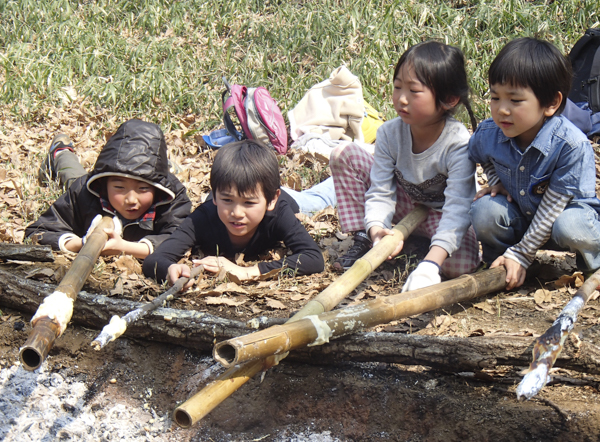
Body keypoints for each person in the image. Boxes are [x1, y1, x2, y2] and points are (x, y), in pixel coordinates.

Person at [329, 40, 481, 292]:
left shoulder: (457, 143)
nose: (401, 99)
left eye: (414, 91)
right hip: (403, 203)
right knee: (344, 153)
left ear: (449, 99)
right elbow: (381, 190)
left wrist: (431, 264)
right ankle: (364, 237)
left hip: (439, 213)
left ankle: (426, 246)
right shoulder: (390, 133)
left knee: (460, 265)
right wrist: (377, 229)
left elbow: (458, 208)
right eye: (397, 86)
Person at [469, 37, 600, 290]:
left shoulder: (570, 144)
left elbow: (553, 208)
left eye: (515, 101)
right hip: (524, 217)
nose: (502, 110)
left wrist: (524, 252)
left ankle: (593, 264)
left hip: (564, 221)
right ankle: (505, 261)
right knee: (484, 209)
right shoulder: (489, 134)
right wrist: (496, 181)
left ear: (551, 103)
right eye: (495, 98)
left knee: (570, 226)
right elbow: (481, 157)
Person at [142, 139, 325, 285]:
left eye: (248, 203)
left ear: (271, 200)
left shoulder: (278, 211)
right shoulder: (204, 217)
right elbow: (155, 259)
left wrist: (247, 272)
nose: (237, 212)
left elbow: (313, 258)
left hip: (291, 199)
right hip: (259, 190)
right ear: (214, 196)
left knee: (318, 199)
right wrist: (169, 269)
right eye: (227, 200)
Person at [26, 119, 192, 259]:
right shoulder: (85, 189)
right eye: (119, 187)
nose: (131, 199)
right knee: (72, 179)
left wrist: (126, 247)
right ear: (104, 183)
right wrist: (83, 243)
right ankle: (61, 154)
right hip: (85, 187)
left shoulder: (172, 196)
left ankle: (165, 165)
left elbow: (180, 238)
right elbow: (37, 232)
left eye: (142, 189)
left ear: (157, 187)